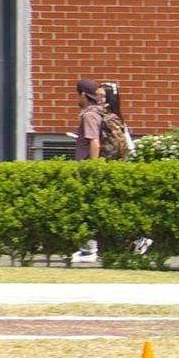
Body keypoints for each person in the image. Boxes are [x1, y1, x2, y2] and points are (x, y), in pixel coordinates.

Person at [71, 78, 103, 264]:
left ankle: (89, 250)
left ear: (83, 94)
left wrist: (92, 168)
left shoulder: (89, 115)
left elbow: (94, 142)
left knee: (87, 209)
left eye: (77, 94)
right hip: (91, 167)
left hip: (88, 169)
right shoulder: (98, 112)